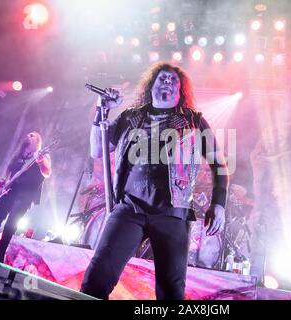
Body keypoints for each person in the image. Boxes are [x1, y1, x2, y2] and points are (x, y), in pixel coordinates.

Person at [81, 62, 229, 300]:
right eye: (162, 78)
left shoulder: (194, 122)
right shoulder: (131, 117)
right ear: (151, 85)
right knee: (95, 280)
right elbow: (97, 149)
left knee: (170, 294)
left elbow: (219, 165)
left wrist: (218, 204)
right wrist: (102, 109)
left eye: (173, 80)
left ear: (181, 91)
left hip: (173, 212)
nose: (167, 82)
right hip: (130, 208)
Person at [0, 131, 52, 262]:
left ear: (38, 141)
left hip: (26, 194)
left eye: (33, 135)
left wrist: (40, 162)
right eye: (28, 135)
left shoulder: (43, 154)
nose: (29, 136)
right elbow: (9, 171)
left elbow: (47, 173)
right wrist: (2, 180)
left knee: (10, 226)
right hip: (9, 192)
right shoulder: (18, 154)